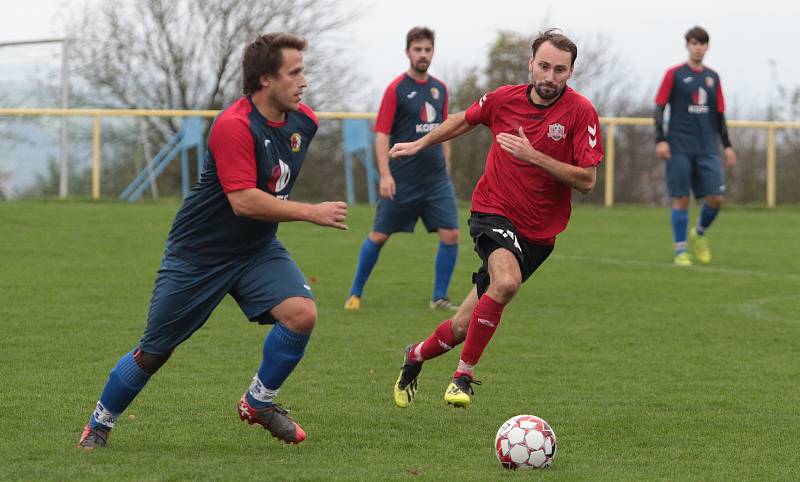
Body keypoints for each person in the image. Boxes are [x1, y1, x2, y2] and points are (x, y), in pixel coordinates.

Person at [78, 33, 348, 448]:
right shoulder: (233, 126)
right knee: (154, 352)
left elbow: (272, 183)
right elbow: (242, 201)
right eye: (294, 72)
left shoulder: (304, 122)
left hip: (256, 249)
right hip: (199, 255)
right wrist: (312, 212)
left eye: (302, 71)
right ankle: (98, 424)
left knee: (301, 314)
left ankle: (258, 403)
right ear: (264, 80)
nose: (304, 81)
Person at [389, 29, 603, 408]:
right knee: (506, 282)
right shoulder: (504, 99)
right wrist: (421, 143)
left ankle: (414, 356)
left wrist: (533, 155)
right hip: (493, 210)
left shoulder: (580, 111)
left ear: (570, 73)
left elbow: (587, 180)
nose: (549, 77)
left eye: (559, 70)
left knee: (460, 326)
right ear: (530, 64)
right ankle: (463, 377)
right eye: (544, 66)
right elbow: (463, 120)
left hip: (539, 234)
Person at [343, 26, 460, 311]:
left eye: (427, 49)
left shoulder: (440, 89)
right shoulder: (396, 89)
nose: (423, 54)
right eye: (417, 49)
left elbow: (444, 130)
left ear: (433, 52)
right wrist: (385, 174)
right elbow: (382, 134)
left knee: (452, 234)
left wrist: (446, 165)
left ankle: (439, 298)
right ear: (408, 52)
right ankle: (355, 293)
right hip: (402, 179)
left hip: (436, 181)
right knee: (379, 236)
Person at [654, 26, 736, 266]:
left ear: (707, 47)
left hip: (707, 148)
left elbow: (719, 115)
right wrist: (660, 139)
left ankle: (698, 233)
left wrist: (727, 146)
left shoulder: (713, 77)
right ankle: (681, 251)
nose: (698, 47)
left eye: (702, 43)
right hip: (678, 146)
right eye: (694, 43)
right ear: (687, 45)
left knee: (716, 198)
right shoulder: (674, 74)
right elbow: (659, 107)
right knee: (680, 198)